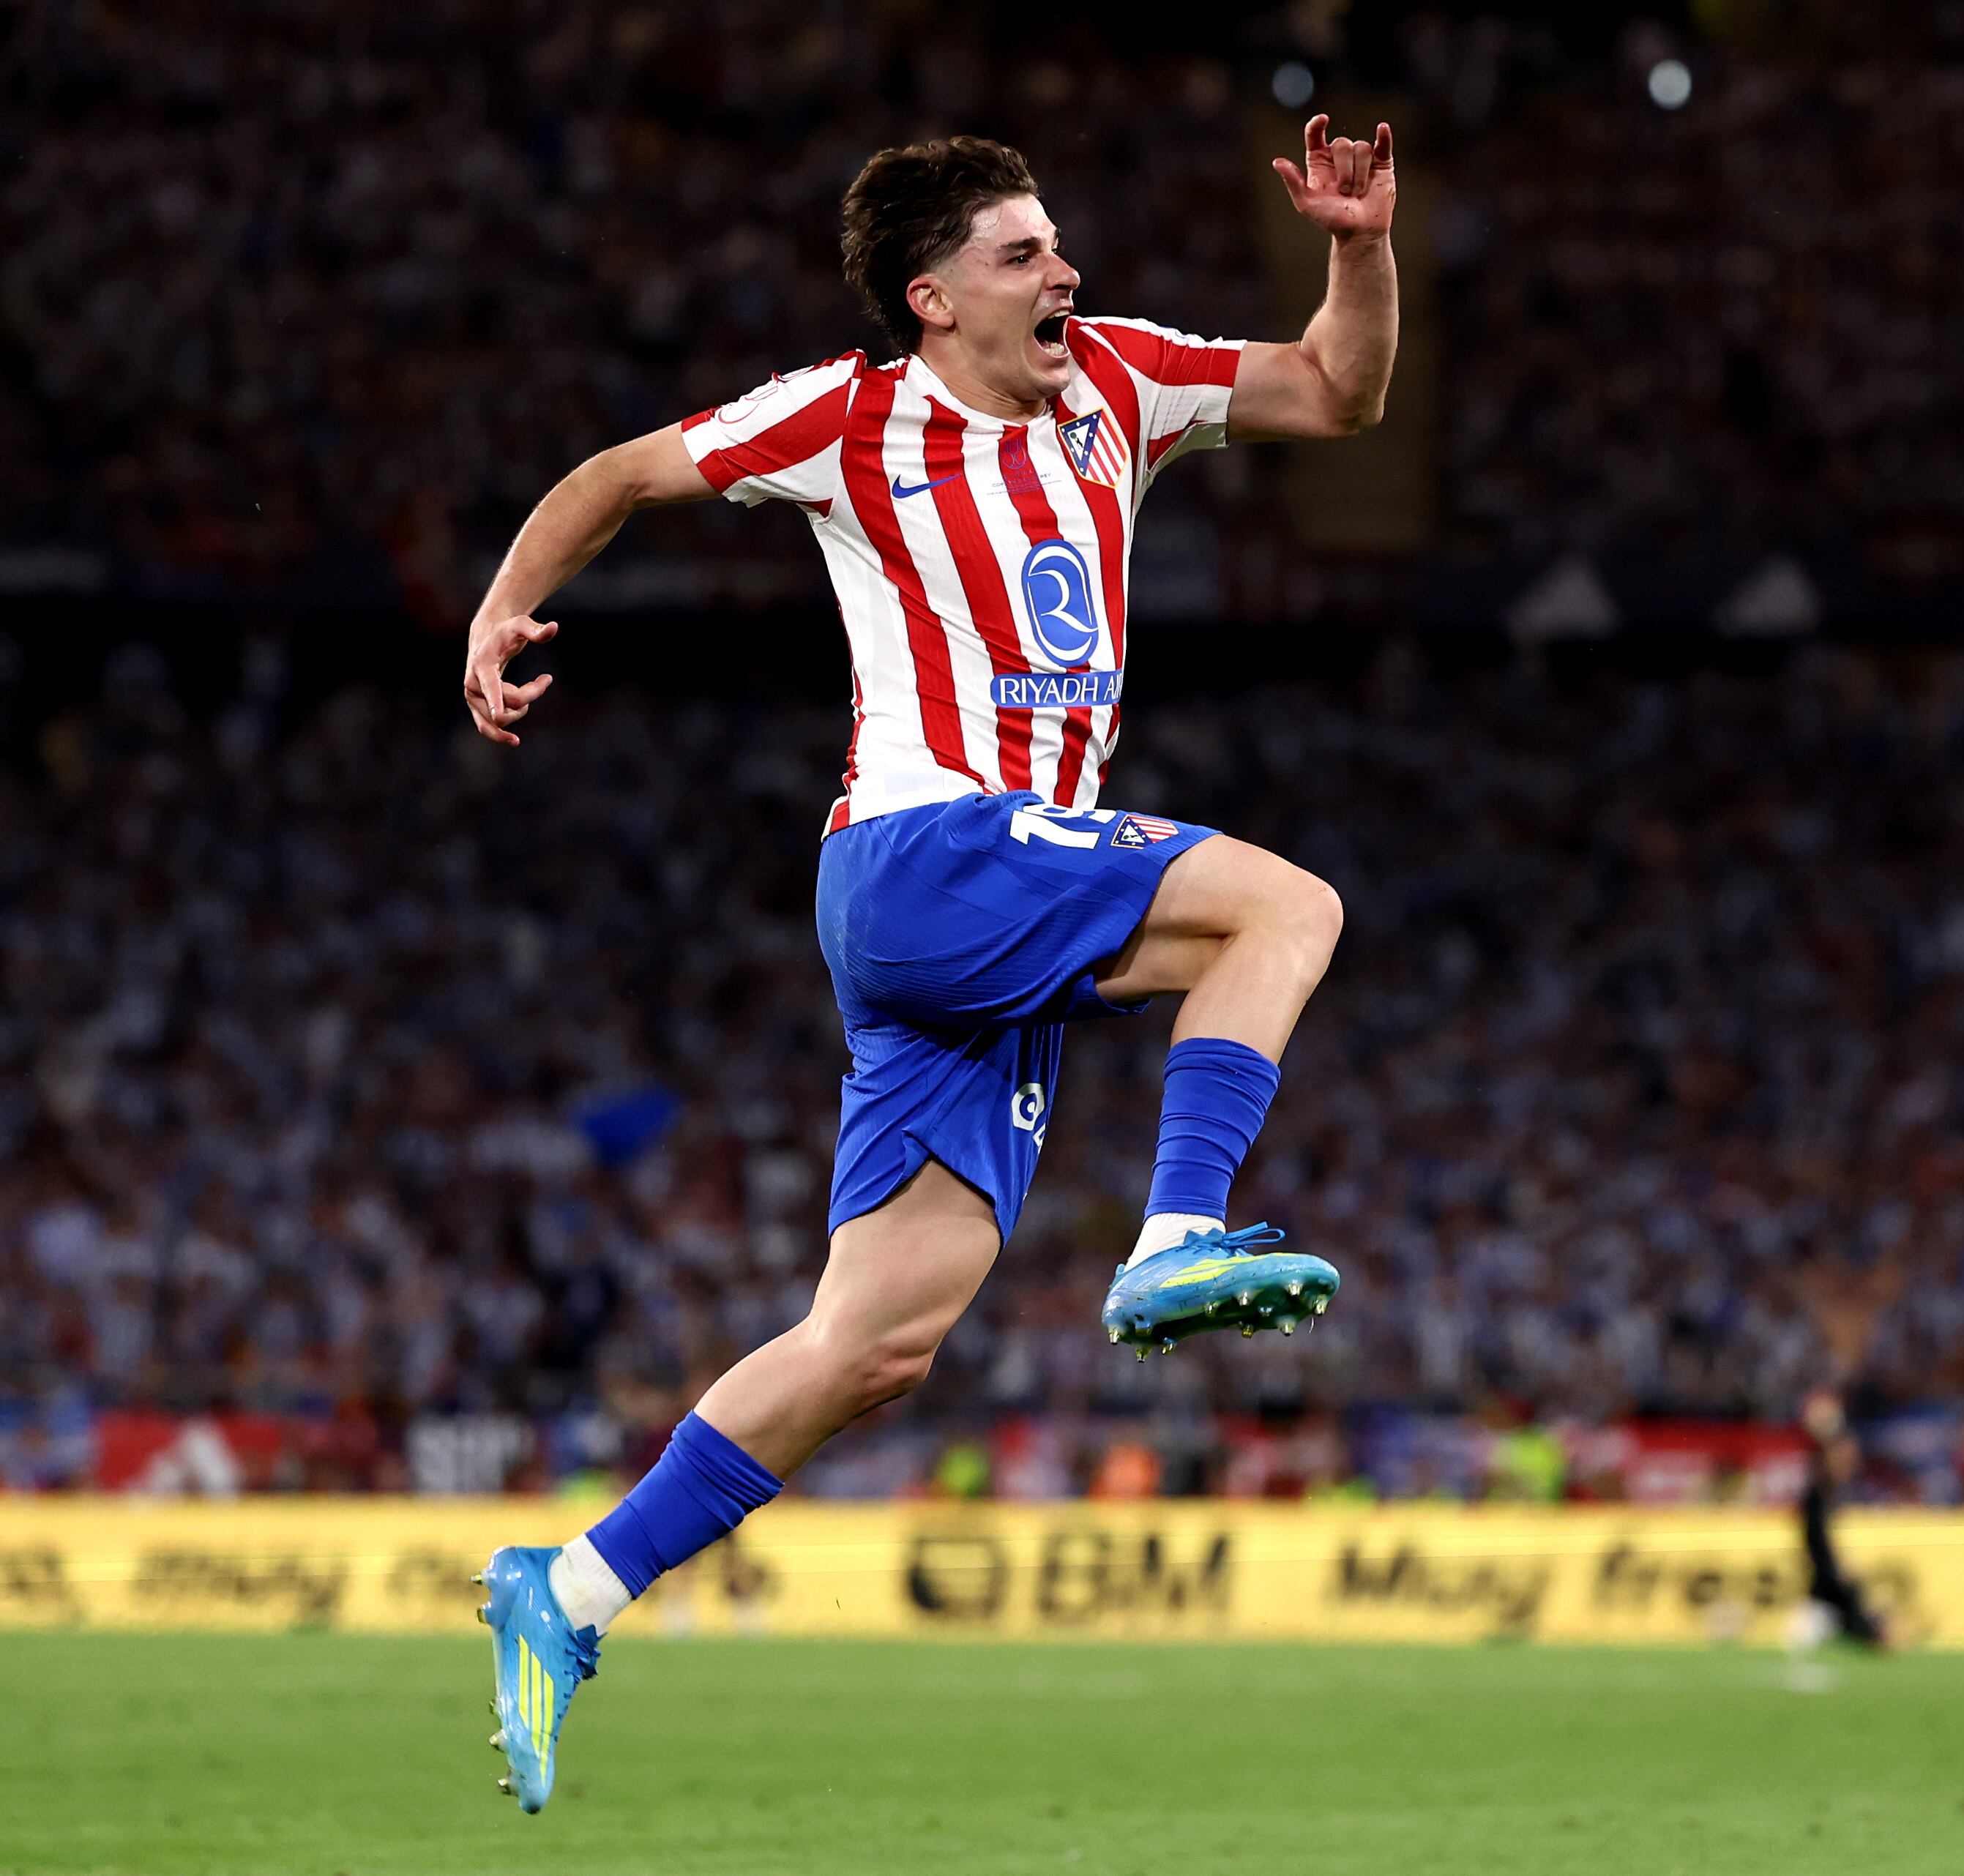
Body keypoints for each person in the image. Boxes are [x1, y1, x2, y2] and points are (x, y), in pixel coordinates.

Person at [463, 118, 1399, 1812]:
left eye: (1059, 245)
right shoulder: (847, 416)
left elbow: (1337, 393)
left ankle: (572, 1588)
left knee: (874, 1341)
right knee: (1286, 909)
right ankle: (1178, 1233)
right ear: (933, 295)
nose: (1067, 275)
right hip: (927, 851)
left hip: (976, 922)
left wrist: (1358, 246)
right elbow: (617, 476)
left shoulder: (1122, 380)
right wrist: (500, 608)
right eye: (1024, 254)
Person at [1798, 1390, 1889, 1649]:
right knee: (1833, 1591)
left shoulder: (1844, 1491)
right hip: (1825, 1552)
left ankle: (1870, 1631)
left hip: (1833, 1538)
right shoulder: (1818, 1494)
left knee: (1840, 1593)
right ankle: (1866, 1631)